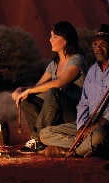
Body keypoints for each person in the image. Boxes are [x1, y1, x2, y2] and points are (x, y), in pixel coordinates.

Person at [39, 24, 109, 159]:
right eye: (95, 44)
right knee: (45, 134)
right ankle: (91, 148)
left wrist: (101, 122)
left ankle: (71, 150)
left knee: (99, 135)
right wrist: (81, 126)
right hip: (90, 121)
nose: (97, 48)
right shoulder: (92, 71)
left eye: (102, 44)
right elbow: (83, 103)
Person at [11, 21, 86, 153]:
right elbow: (38, 86)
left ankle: (37, 139)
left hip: (73, 113)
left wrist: (28, 90)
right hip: (57, 111)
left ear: (66, 40)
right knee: (27, 98)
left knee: (53, 91)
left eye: (55, 36)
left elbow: (59, 83)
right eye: (50, 36)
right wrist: (21, 90)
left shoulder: (77, 60)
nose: (50, 39)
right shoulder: (54, 64)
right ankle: (39, 139)